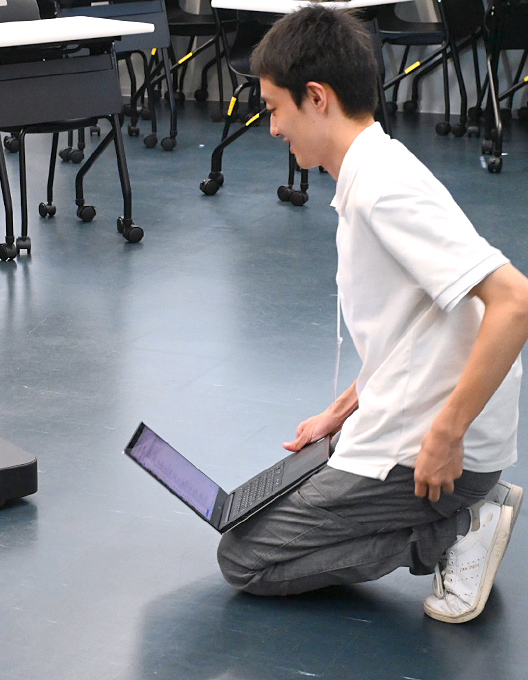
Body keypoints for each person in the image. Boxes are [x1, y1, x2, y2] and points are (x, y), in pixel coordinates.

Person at [215, 6, 528, 624]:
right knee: (252, 516)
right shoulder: (373, 169)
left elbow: (515, 301)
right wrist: (340, 411)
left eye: (274, 108)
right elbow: (415, 328)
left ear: (316, 97)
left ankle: (458, 526)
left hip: (437, 454)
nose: (272, 128)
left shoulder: (384, 190)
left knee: (246, 558)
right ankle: (457, 511)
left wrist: (448, 436)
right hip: (413, 422)